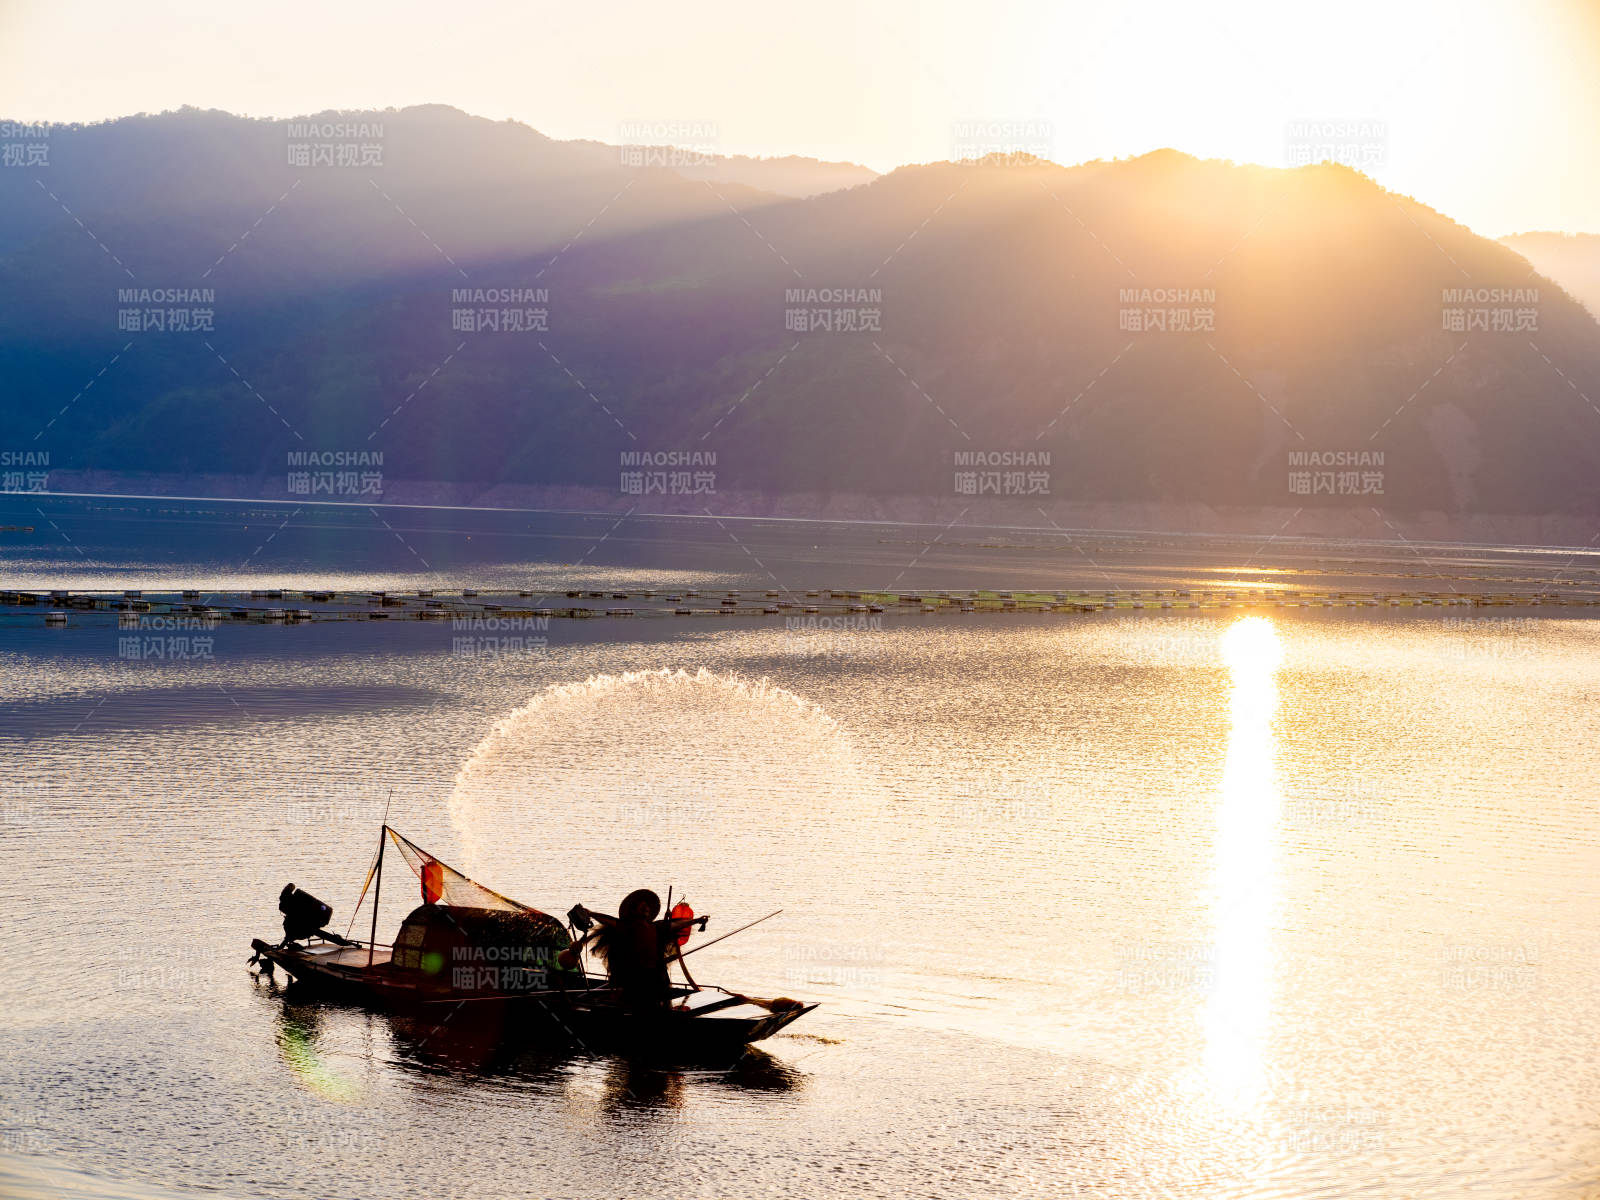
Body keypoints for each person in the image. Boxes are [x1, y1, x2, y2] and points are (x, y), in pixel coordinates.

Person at [559, 889, 703, 1012]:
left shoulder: (656, 927)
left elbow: (675, 925)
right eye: (642, 906)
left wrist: (696, 920)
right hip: (636, 979)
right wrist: (591, 913)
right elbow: (609, 921)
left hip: (656, 978)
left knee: (658, 1005)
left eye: (647, 907)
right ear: (633, 910)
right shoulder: (626, 927)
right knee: (638, 1007)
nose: (645, 908)